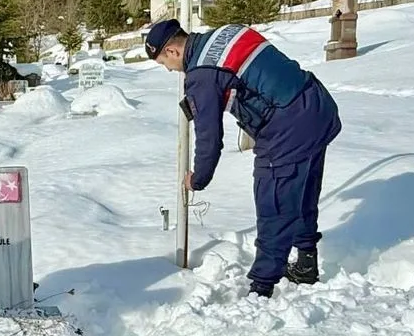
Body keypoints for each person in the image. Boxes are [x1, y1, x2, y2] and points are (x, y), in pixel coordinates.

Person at [145, 18, 341, 298]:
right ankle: (306, 263)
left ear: (173, 51)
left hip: (286, 127)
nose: (169, 69)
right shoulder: (228, 32)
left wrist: (197, 179)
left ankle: (261, 289)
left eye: (165, 63)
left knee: (274, 203)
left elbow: (210, 139)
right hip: (316, 105)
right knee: (303, 192)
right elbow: (254, 75)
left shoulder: (201, 74)